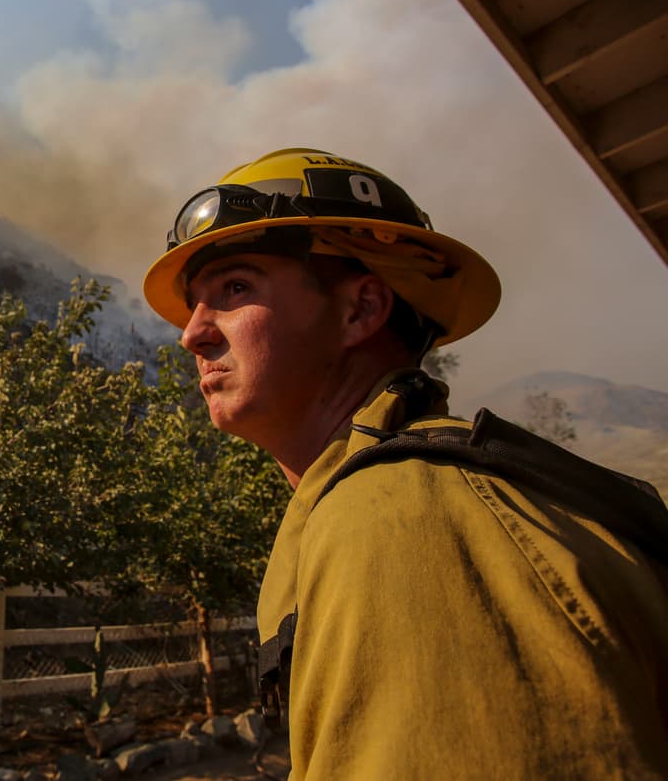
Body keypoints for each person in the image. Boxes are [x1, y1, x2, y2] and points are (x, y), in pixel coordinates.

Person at [141, 147, 668, 779]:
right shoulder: (387, 493)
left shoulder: (405, 518)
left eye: (235, 287)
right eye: (196, 302)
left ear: (359, 311)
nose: (191, 334)